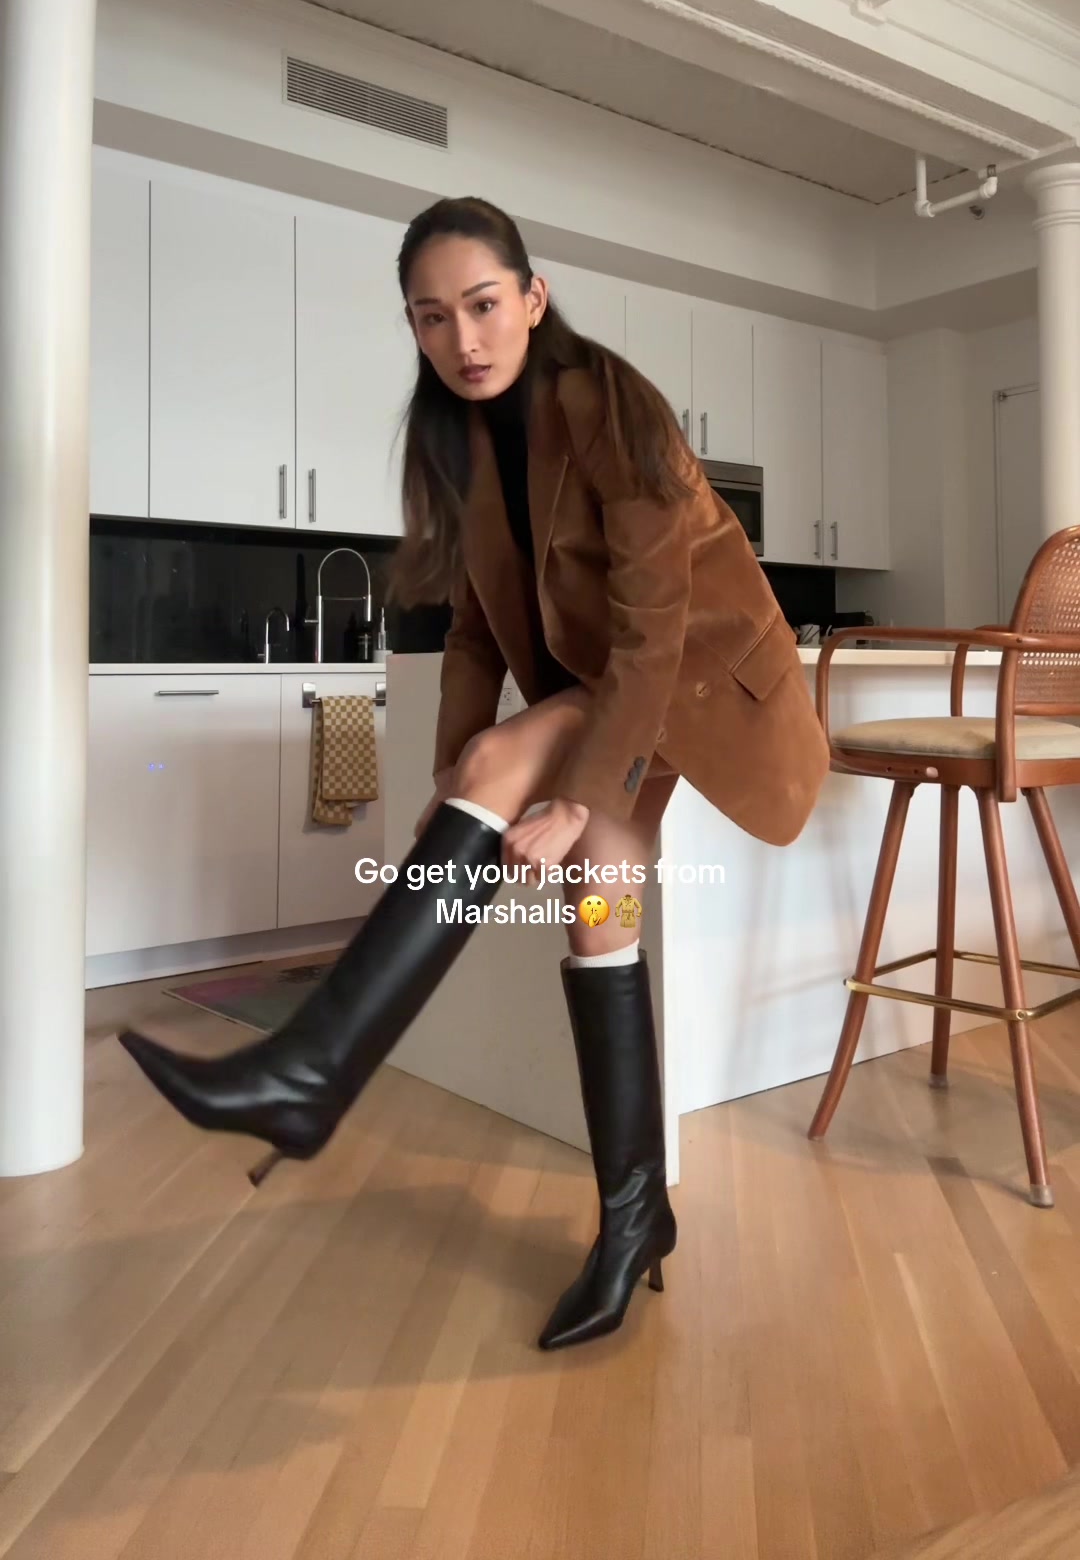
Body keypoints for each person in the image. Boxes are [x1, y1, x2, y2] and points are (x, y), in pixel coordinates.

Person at [119, 196, 830, 1352]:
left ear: (534, 300)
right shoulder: (452, 441)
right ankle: (636, 1219)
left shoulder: (609, 406)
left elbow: (652, 633)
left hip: (698, 682)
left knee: (528, 776)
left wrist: (562, 789)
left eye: (485, 304)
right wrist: (455, 775)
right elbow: (470, 628)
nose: (464, 337)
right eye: (432, 316)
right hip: (611, 689)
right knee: (597, 901)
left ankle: (310, 1069)